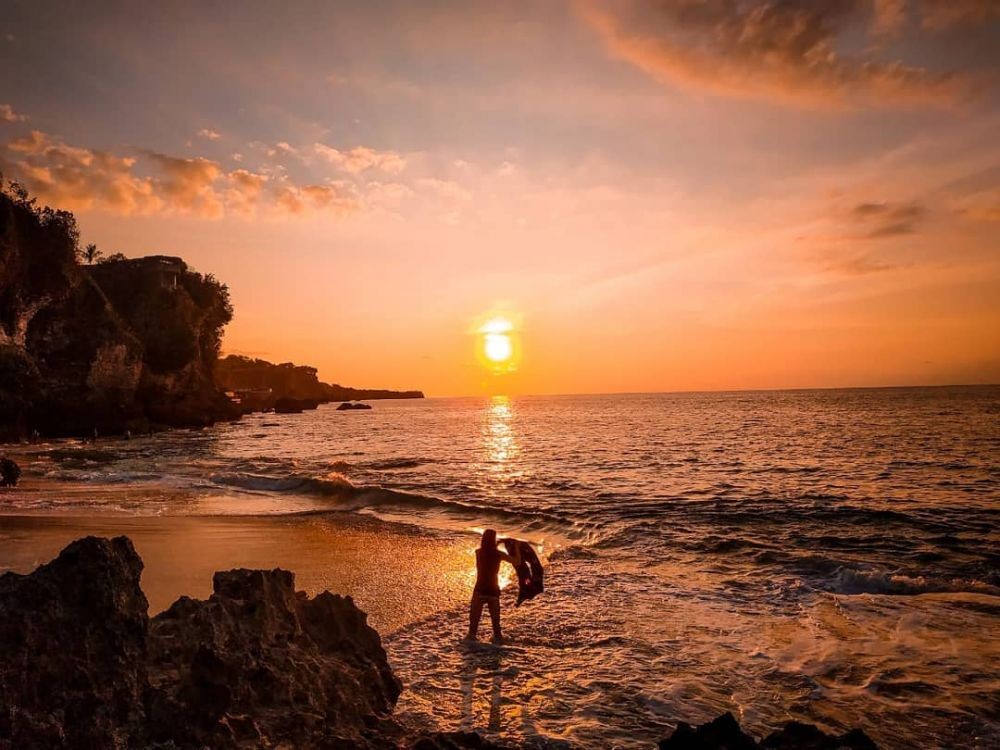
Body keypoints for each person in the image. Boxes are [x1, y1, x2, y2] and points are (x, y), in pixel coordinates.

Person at [466, 528, 517, 643]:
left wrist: (496, 544)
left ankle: (471, 649)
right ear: (494, 540)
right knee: (496, 627)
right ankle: (497, 647)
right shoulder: (499, 554)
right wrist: (516, 548)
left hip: (479, 590)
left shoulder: (478, 552)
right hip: (493, 591)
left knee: (472, 629)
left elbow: (488, 553)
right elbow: (516, 562)